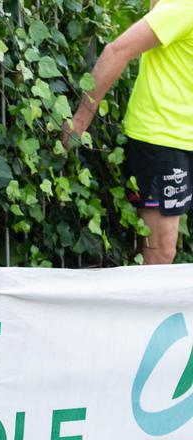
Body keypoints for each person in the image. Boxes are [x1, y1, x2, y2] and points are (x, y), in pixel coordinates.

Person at [64, 0, 192, 264]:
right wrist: (81, 120)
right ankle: (148, 306)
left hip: (184, 138)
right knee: (160, 250)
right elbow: (116, 51)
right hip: (163, 138)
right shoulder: (184, 8)